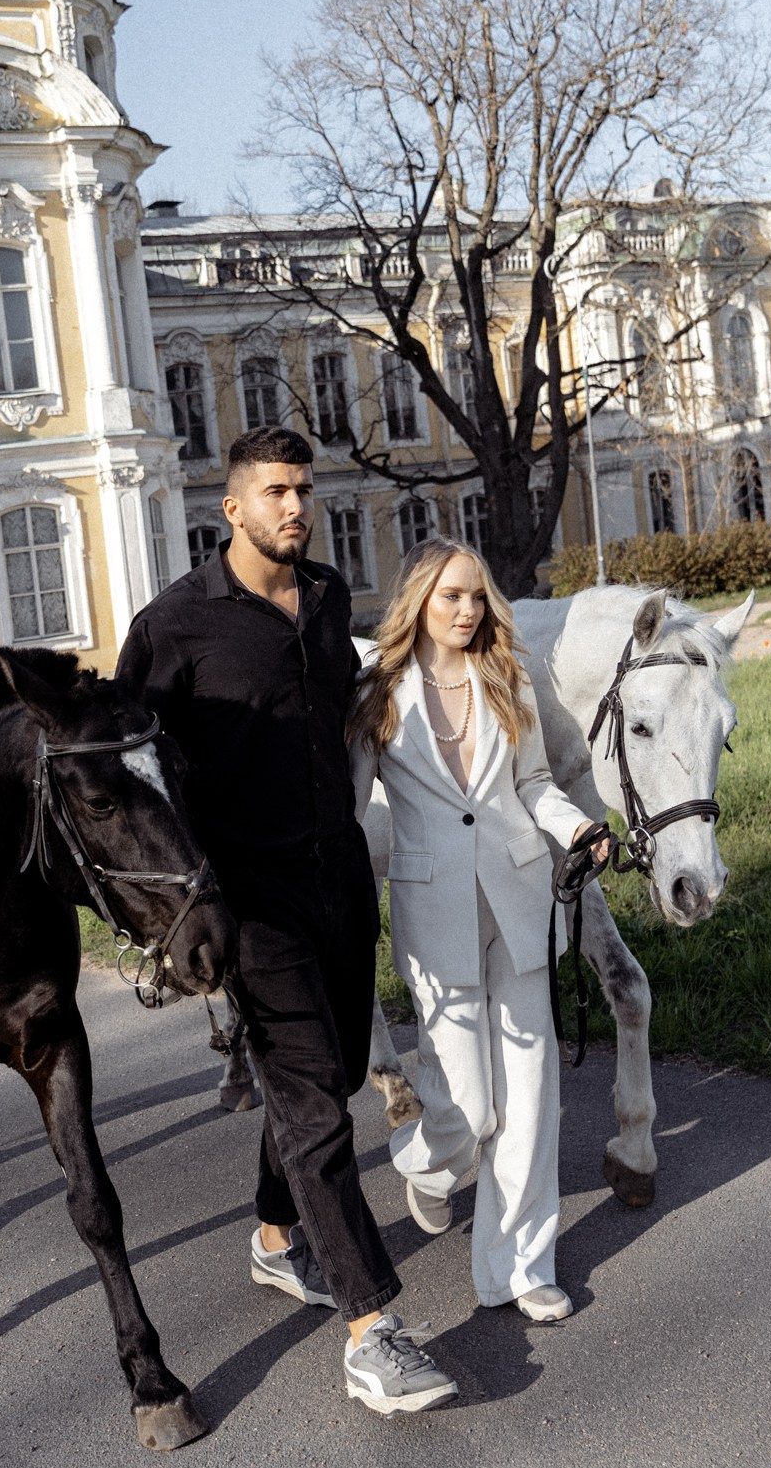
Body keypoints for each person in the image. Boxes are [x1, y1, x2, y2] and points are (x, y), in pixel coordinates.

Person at [117, 426, 457, 1417]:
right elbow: (129, 770)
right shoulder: (172, 625)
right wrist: (167, 909)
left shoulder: (323, 600)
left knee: (341, 1071)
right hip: (248, 902)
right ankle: (370, 1330)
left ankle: (274, 1235)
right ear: (230, 506)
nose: (294, 506)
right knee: (313, 1101)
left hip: (338, 878)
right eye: (274, 491)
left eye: (302, 488)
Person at [348, 536, 605, 1323]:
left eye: (475, 596)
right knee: (465, 1112)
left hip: (521, 898)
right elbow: (350, 811)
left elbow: (533, 783)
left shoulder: (508, 676)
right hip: (435, 917)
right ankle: (423, 1163)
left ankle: (520, 1269)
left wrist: (577, 829)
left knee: (529, 1097)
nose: (466, 610)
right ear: (419, 601)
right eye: (450, 596)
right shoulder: (378, 690)